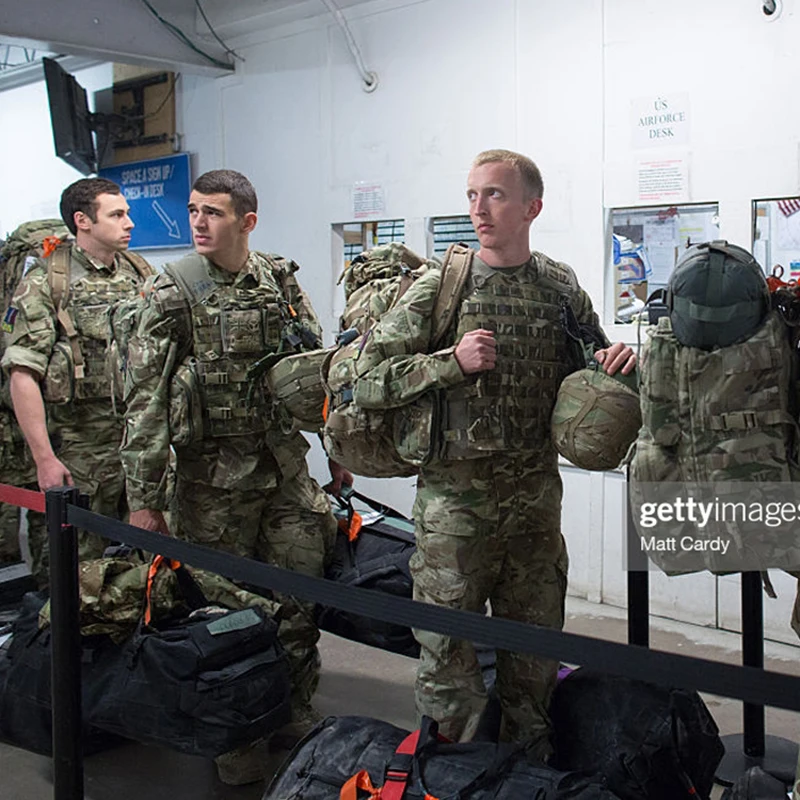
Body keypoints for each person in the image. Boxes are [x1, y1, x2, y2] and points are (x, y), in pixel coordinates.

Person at [351, 149, 635, 760]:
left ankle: (524, 775)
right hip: (454, 512)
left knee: (533, 666)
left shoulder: (559, 288)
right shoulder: (439, 286)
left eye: (496, 195)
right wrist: (446, 364)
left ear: (532, 207)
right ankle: (450, 773)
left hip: (534, 510)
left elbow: (594, 364)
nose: (479, 208)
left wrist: (614, 366)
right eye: (473, 194)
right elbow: (363, 380)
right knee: (448, 670)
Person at [120, 169, 347, 784]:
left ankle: (292, 712)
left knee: (300, 596)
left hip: (284, 473)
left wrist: (337, 451)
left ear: (247, 221)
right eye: (193, 210)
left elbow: (312, 370)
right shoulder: (173, 292)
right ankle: (238, 735)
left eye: (212, 212)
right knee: (229, 617)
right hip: (210, 486)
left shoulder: (279, 280)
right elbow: (145, 399)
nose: (198, 222)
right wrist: (143, 499)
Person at [2, 179, 153, 587]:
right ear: (82, 221)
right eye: (117, 214)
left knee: (147, 563)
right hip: (78, 450)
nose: (129, 223)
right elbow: (22, 374)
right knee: (71, 573)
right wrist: (44, 459)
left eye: (127, 213)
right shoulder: (47, 283)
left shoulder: (140, 273)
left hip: (137, 448)